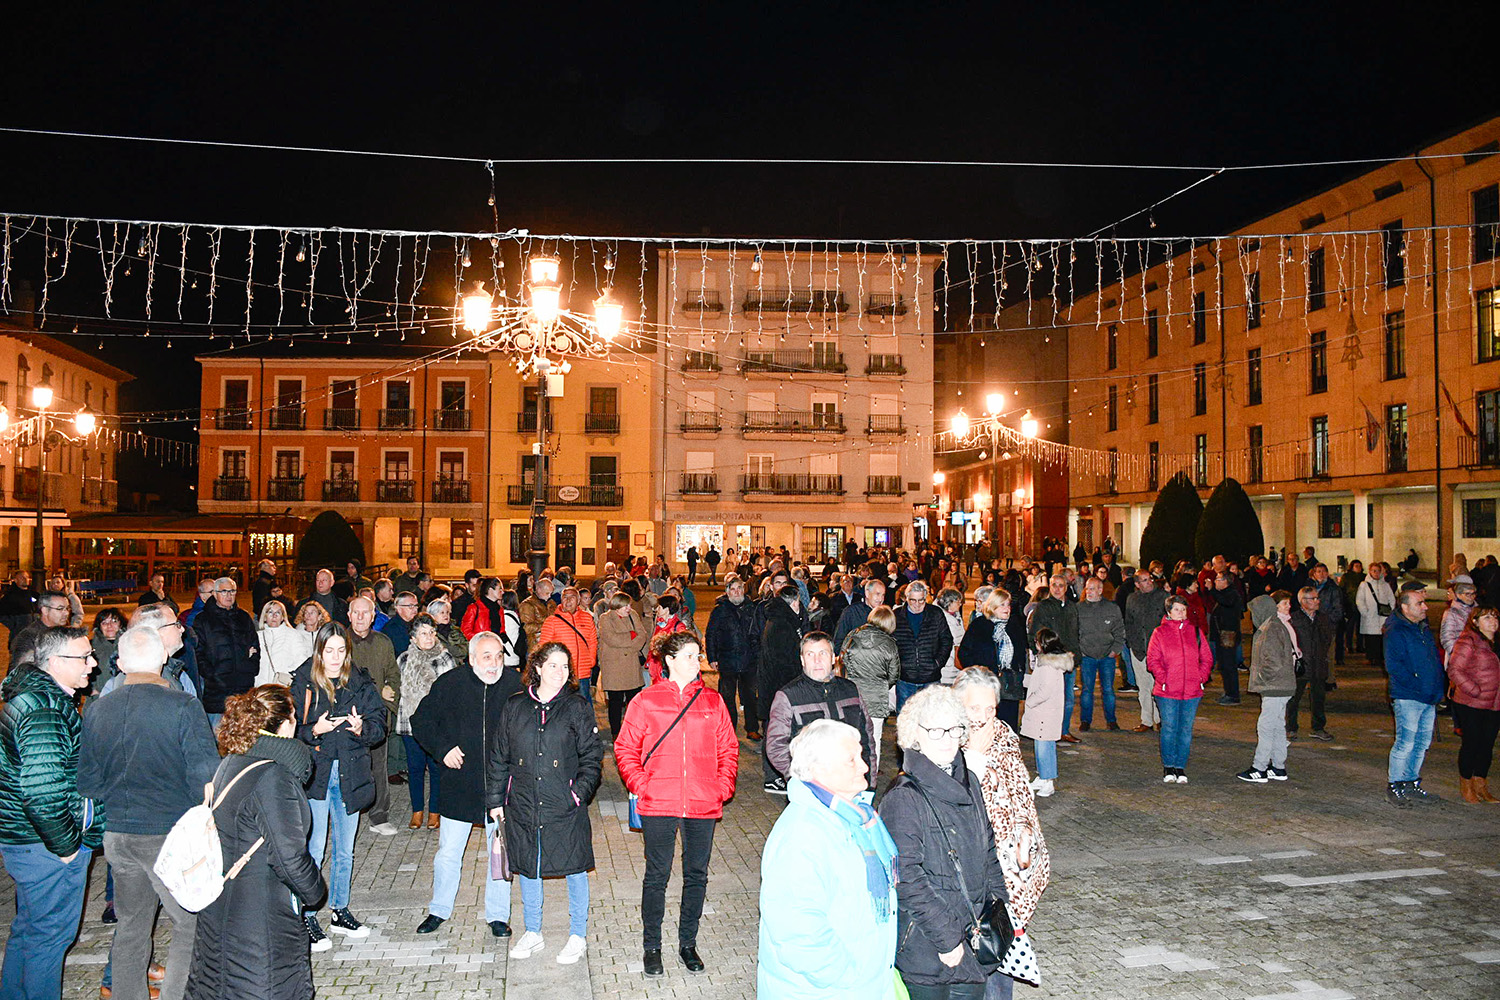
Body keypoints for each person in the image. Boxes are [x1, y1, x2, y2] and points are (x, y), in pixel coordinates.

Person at [79, 626, 219, 1000]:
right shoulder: (183, 706)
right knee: (191, 923)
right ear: (162, 658)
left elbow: (87, 783)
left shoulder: (96, 710)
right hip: (167, 836)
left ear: (121, 663)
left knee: (132, 925)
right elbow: (206, 778)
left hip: (119, 837)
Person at [183, 685, 324, 1000]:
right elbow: (289, 857)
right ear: (286, 724)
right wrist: (315, 892)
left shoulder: (233, 762)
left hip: (221, 904)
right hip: (260, 917)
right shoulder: (274, 778)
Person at [615, 631, 739, 978]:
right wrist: (643, 785)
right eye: (688, 656)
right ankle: (651, 946)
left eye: (697, 655)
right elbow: (625, 748)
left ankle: (688, 943)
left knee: (696, 876)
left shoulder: (712, 701)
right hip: (659, 801)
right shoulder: (646, 700)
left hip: (702, 801)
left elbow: (728, 748)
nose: (695, 662)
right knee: (657, 876)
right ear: (669, 660)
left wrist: (722, 786)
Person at [878, 685, 1009, 1000]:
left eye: (954, 729)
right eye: (936, 730)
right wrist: (948, 939)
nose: (948, 738)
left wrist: (1000, 906)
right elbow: (905, 877)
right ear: (916, 736)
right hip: (929, 948)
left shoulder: (970, 781)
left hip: (974, 938)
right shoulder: (904, 797)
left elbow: (987, 848)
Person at [757, 720, 897, 1000]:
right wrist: (848, 978)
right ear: (819, 769)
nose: (864, 766)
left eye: (860, 756)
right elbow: (798, 933)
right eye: (851, 760)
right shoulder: (802, 835)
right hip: (827, 990)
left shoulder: (855, 815)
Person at [0, 627, 104, 1000]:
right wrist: (66, 847)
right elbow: (42, 793)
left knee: (29, 929)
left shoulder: (38, 699)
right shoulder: (44, 708)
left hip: (27, 841)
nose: (93, 664)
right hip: (44, 846)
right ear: (55, 662)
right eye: (84, 657)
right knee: (50, 936)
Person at [487, 642, 603, 966]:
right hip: (522, 802)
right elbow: (499, 756)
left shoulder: (576, 706)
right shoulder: (515, 706)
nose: (560, 672)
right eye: (553, 665)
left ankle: (577, 934)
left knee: (575, 867)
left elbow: (592, 757)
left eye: (565, 666)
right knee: (529, 866)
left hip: (563, 803)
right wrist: (496, 800)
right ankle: (533, 932)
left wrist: (577, 793)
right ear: (537, 668)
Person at [410, 631, 522, 938]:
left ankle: (498, 915)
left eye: (499, 656)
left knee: (500, 853)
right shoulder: (450, 684)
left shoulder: (513, 686)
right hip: (459, 784)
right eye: (487, 656)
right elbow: (420, 720)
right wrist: (443, 748)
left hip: (500, 788)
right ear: (471, 658)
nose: (494, 663)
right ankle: (439, 909)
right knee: (448, 853)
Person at [289, 622, 386, 949]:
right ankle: (307, 914)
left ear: (347, 652)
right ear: (319, 651)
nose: (334, 657)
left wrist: (362, 729)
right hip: (315, 774)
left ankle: (340, 910)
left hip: (350, 773)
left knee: (345, 850)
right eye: (328, 650)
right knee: (313, 850)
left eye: (340, 650)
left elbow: (379, 727)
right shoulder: (303, 681)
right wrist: (312, 730)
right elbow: (288, 730)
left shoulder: (359, 681)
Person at [956, 666, 1050, 983]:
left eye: (990, 708)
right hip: (965, 862)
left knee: (997, 946)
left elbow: (1019, 797)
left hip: (1005, 864)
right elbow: (952, 800)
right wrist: (975, 758)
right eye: (974, 708)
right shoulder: (944, 740)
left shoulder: (1005, 735)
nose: (983, 717)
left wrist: (1027, 849)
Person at [765, 632, 876, 788]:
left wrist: (869, 782)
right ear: (802, 660)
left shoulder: (851, 690)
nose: (817, 661)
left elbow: (867, 738)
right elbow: (776, 746)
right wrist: (801, 780)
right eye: (810, 654)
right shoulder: (788, 696)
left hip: (851, 783)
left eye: (823, 653)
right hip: (813, 788)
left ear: (832, 658)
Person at [1383, 587, 1445, 807]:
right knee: (1405, 742)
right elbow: (1395, 666)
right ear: (1405, 607)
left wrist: (1438, 686)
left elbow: (1433, 661)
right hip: (1409, 696)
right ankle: (1394, 785)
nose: (1425, 607)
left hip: (1428, 696)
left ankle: (1410, 781)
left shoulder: (1421, 628)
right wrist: (1418, 686)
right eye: (1420, 603)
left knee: (1421, 743)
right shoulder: (1397, 631)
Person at [347, 596, 401, 837]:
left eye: (365, 613)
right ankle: (347, 814)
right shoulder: (339, 642)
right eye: (355, 612)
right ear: (349, 615)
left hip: (376, 717)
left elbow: (393, 674)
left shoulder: (383, 642)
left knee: (378, 766)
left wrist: (391, 694)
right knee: (347, 767)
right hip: (346, 717)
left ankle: (379, 816)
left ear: (373, 616)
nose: (360, 617)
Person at [396, 614, 456, 829]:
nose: (429, 637)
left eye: (431, 632)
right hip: (409, 721)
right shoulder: (403, 660)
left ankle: (435, 812)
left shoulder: (445, 658)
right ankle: (417, 811)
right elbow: (398, 689)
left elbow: (452, 693)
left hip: (436, 724)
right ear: (413, 638)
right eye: (423, 633)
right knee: (415, 768)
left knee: (436, 767)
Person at [1148, 595, 1214, 784]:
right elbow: (1153, 660)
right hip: (1167, 690)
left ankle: (1180, 766)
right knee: (1169, 728)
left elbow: (1207, 658)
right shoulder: (1159, 633)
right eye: (1177, 609)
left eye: (1183, 610)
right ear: (1169, 612)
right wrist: (1164, 678)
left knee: (1185, 729)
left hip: (1192, 690)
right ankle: (1168, 765)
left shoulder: (1195, 632)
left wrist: (1200, 676)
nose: (1181, 613)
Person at [1238, 591, 1299, 785]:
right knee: (1277, 726)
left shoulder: (1270, 628)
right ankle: (1278, 766)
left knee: (1265, 727)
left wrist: (1263, 678)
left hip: (1275, 686)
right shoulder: (1275, 625)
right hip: (1283, 685)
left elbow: (1273, 661)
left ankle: (1260, 767)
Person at [1446, 604, 1500, 804]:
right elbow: (1455, 670)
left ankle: (1481, 785)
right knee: (1472, 743)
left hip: (1495, 703)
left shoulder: (1497, 642)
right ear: (1475, 622)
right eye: (1486, 618)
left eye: (1494, 617)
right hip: (1471, 702)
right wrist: (1474, 689)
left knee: (1487, 745)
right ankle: (1466, 785)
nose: (1492, 622)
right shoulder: (1468, 640)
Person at [841, 606, 901, 774]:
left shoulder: (853, 636)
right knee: (874, 738)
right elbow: (894, 674)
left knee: (853, 736)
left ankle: (851, 771)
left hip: (853, 694)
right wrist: (882, 684)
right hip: (877, 697)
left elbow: (843, 659)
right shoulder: (889, 643)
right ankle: (871, 774)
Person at [957, 590, 1028, 731]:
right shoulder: (980, 625)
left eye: (1008, 605)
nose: (1007, 609)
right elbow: (964, 653)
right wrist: (978, 672)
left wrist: (1018, 669)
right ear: (993, 606)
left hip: (1009, 684)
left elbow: (1021, 651)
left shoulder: (1014, 625)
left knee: (1008, 726)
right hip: (985, 683)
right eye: (1002, 605)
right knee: (986, 724)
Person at [758, 586, 806, 794]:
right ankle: (772, 777)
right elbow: (787, 661)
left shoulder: (780, 620)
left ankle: (775, 775)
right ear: (793, 603)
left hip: (775, 687)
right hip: (779, 688)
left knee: (775, 730)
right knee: (775, 732)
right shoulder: (782, 626)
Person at [194, 578, 259, 725]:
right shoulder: (203, 620)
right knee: (218, 738)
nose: (229, 595)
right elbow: (198, 652)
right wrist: (212, 674)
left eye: (232, 591)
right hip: (217, 692)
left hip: (244, 688)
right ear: (215, 594)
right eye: (224, 591)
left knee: (244, 736)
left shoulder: (243, 617)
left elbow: (254, 646)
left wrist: (250, 668)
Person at [1027, 575, 1080, 744]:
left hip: (1068, 659)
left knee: (1068, 699)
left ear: (1066, 587)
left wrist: (1076, 654)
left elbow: (1076, 632)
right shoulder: (1043, 607)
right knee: (1048, 698)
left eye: (1061, 585)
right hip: (1051, 661)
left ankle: (1064, 730)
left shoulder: (1072, 607)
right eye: (1054, 585)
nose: (1057, 589)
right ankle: (1050, 731)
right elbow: (1035, 632)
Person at [705, 578, 759, 738]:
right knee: (727, 697)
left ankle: (752, 728)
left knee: (750, 696)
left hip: (748, 660)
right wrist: (712, 657)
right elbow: (711, 634)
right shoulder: (720, 610)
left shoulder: (751, 608)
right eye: (733, 589)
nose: (737, 592)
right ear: (727, 592)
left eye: (739, 588)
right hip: (727, 659)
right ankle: (729, 730)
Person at [1020, 630, 1071, 797]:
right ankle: (1043, 777)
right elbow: (1038, 682)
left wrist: (1030, 701)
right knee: (1041, 745)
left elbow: (1044, 690)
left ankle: (1048, 780)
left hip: (1045, 713)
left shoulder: (1049, 665)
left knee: (1045, 748)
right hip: (1045, 712)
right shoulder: (1048, 663)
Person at [892, 581, 955, 713]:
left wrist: (937, 663)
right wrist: (898, 666)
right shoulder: (896, 616)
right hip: (905, 679)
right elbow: (889, 644)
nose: (917, 605)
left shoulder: (936, 613)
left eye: (921, 600)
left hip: (931, 677)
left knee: (932, 718)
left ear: (926, 597)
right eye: (913, 600)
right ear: (906, 598)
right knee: (905, 719)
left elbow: (947, 640)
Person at [1073, 578, 1125, 733]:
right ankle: (1085, 720)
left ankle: (1111, 720)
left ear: (1100, 590)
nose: (1089, 592)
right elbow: (1073, 631)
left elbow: (1120, 631)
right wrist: (1079, 650)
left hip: (1106, 656)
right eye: (1087, 589)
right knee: (1087, 690)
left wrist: (1115, 650)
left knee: (1108, 690)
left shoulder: (1112, 608)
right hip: (1087, 656)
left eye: (1092, 589)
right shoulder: (1079, 609)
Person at [596, 592, 649, 741]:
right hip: (614, 667)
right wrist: (631, 636)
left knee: (634, 701)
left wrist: (631, 641)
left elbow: (642, 635)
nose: (629, 608)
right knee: (615, 702)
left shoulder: (633, 615)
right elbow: (611, 639)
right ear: (617, 606)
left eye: (629, 605)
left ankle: (633, 730)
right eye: (625, 605)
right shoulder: (605, 618)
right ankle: (616, 733)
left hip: (631, 665)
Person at [1286, 586, 1335, 742]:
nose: (1317, 601)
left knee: (1318, 698)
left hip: (1318, 664)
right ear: (1303, 601)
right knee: (1294, 698)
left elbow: (1328, 639)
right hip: (1300, 665)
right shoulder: (1293, 619)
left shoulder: (1323, 618)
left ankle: (1318, 727)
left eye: (1317, 598)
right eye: (1313, 598)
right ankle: (1291, 728)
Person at [538, 586, 599, 701]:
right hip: (560, 673)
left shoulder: (587, 618)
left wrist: (591, 660)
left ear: (578, 601)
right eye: (565, 597)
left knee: (583, 703)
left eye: (572, 597)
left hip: (582, 673)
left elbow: (592, 641)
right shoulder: (552, 621)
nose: (568, 600)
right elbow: (544, 647)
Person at [1124, 571, 1167, 732]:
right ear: (1137, 584)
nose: (1149, 582)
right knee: (1143, 686)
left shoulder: (1163, 596)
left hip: (1158, 649)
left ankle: (1160, 719)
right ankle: (1146, 720)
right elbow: (1129, 622)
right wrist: (1131, 642)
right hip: (1138, 649)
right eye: (1144, 580)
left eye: (1149, 579)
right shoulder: (1132, 599)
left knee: (1158, 685)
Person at [8, 590, 73, 670]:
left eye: (67, 608)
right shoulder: (29, 637)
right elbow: (19, 672)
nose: (66, 613)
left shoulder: (64, 632)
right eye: (60, 609)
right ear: (45, 610)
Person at [1208, 572, 1246, 706]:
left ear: (1225, 581)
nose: (1215, 582)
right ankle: (1229, 692)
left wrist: (1212, 590)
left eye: (1217, 579)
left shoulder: (1231, 594)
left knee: (1229, 665)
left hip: (1228, 635)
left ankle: (1233, 695)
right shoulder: (1225, 594)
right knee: (1224, 665)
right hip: (1222, 635)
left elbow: (1226, 603)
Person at [256, 600, 309, 688]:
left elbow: (301, 660)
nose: (274, 616)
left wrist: (286, 674)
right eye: (270, 612)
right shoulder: (257, 636)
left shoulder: (293, 635)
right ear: (264, 617)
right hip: (261, 687)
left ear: (283, 617)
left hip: (283, 687)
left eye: (278, 613)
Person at [1355, 561, 1395, 665]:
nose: (1376, 573)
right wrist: (1365, 612)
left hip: (1383, 616)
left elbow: (1391, 598)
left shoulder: (1385, 585)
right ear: (1370, 572)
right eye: (1374, 571)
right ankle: (1371, 657)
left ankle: (1380, 657)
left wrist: (1391, 610)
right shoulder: (1364, 585)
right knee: (1370, 637)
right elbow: (1360, 600)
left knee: (1381, 637)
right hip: (1370, 615)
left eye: (1378, 571)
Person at [833, 578, 884, 649]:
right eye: (877, 594)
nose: (881, 599)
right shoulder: (851, 612)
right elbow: (839, 640)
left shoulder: (884, 614)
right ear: (867, 593)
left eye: (883, 595)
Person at [1441, 575, 1479, 656]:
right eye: (1467, 594)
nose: (1471, 597)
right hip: (1461, 655)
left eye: (1473, 594)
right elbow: (1447, 639)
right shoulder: (1451, 613)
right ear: (1458, 595)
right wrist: (1460, 654)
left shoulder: (1478, 610)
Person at [90, 608, 127, 687]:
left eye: (114, 621)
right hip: (99, 695)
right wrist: (91, 690)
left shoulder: (130, 644)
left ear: (121, 624)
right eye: (104, 623)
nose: (109, 626)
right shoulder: (90, 647)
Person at [379, 591, 420, 657]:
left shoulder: (416, 623)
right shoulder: (392, 629)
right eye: (410, 606)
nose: (415, 609)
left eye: (416, 605)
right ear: (398, 608)